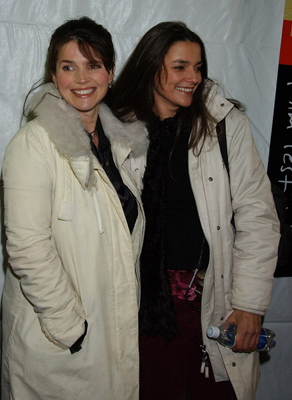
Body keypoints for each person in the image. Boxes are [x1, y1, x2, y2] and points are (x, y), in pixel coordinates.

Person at [110, 21, 280, 400]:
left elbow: (258, 217)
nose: (193, 77)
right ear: (151, 66)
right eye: (180, 67)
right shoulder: (115, 127)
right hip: (142, 310)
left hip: (214, 301)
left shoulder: (223, 124)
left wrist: (249, 304)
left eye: (199, 67)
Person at [1, 17, 147, 400]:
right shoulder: (33, 143)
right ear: (53, 74)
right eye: (69, 66)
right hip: (62, 344)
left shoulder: (120, 146)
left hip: (109, 337)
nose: (82, 78)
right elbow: (27, 248)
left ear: (110, 72)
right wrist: (71, 328)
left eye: (93, 65)